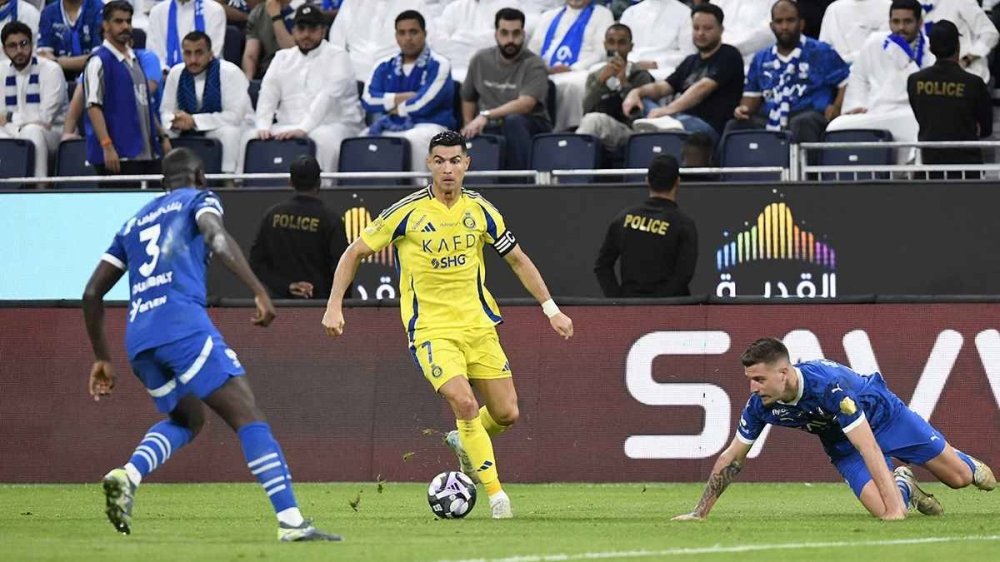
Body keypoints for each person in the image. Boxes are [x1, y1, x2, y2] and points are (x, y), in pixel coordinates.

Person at [82, 148, 341, 542]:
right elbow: (216, 237)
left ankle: (128, 475)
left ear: (163, 182)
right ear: (200, 175)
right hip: (181, 326)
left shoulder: (134, 222)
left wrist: (102, 357)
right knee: (247, 414)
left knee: (187, 420)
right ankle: (291, 522)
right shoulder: (199, 200)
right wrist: (258, 290)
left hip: (139, 340)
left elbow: (91, 293)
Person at [321, 130, 574, 519]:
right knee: (465, 401)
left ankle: (463, 439)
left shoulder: (481, 211)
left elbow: (518, 259)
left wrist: (551, 309)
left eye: (455, 161)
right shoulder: (406, 212)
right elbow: (354, 252)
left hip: (478, 326)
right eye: (439, 161)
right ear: (429, 164)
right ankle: (496, 496)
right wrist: (334, 305)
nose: (448, 169)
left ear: (467, 164)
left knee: (507, 413)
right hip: (431, 330)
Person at [672, 337, 996, 522]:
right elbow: (733, 457)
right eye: (750, 380)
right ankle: (904, 483)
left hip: (885, 418)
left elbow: (869, 446)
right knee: (881, 508)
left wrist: (897, 512)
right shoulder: (761, 405)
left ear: (784, 373)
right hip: (843, 445)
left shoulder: (827, 387)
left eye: (759, 379)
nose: (753, 388)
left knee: (960, 479)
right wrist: (700, 513)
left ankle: (959, 460)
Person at [252, 3, 363, 173]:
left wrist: (303, 128)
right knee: (251, 137)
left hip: (336, 124)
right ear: (293, 31)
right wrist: (263, 126)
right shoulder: (282, 57)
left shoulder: (338, 56)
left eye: (312, 29)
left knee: (321, 138)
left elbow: (327, 97)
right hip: (289, 124)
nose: (306, 35)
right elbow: (268, 93)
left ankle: (324, 185)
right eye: (301, 29)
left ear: (323, 31)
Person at [726, 0, 850, 145]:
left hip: (809, 115)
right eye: (779, 21)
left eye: (790, 20)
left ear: (801, 24)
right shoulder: (761, 58)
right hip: (770, 118)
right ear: (772, 26)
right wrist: (743, 109)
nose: (784, 27)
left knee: (801, 122)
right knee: (735, 126)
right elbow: (751, 97)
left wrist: (836, 107)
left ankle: (803, 161)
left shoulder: (821, 51)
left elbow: (846, 83)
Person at [621, 3, 743, 144]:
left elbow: (702, 88)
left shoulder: (729, 55)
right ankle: (657, 126)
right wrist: (636, 92)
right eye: (696, 28)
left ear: (721, 30)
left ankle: (656, 127)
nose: (700, 33)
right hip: (676, 119)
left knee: (673, 123)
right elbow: (663, 87)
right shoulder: (690, 61)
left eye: (707, 28)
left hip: (707, 126)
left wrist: (667, 110)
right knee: (641, 102)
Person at [827, 0, 933, 163]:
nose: (901, 28)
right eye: (896, 21)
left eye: (907, 22)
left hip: (910, 113)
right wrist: (856, 105)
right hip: (874, 112)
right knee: (837, 126)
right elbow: (858, 78)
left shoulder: (930, 50)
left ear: (919, 23)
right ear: (889, 22)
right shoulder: (874, 42)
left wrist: (907, 59)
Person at [83, 1, 170, 180]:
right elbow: (93, 106)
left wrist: (162, 136)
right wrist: (107, 145)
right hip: (117, 155)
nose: (125, 26)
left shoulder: (135, 60)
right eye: (118, 21)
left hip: (147, 153)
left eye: (128, 21)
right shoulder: (98, 61)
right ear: (105, 25)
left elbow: (143, 101)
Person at [361, 9, 454, 171]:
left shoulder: (439, 64)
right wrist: (404, 97)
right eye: (402, 33)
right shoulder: (383, 65)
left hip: (429, 126)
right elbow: (368, 100)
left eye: (413, 32)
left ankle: (419, 186)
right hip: (389, 124)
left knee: (414, 139)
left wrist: (391, 108)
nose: (408, 38)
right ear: (396, 36)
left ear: (424, 34)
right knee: (360, 139)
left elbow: (424, 104)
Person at [594, 154, 697, 298]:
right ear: (678, 182)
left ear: (647, 180)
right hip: (670, 308)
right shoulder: (684, 224)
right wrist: (660, 302)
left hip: (631, 305)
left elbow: (602, 266)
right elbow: (684, 275)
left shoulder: (624, 219)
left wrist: (617, 301)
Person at [461, 7, 551, 171]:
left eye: (516, 33)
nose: (510, 40)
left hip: (528, 124)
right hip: (490, 125)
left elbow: (526, 104)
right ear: (496, 34)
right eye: (504, 33)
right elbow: (468, 97)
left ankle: (520, 179)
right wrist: (469, 124)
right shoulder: (480, 60)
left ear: (523, 34)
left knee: (513, 121)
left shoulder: (534, 63)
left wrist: (485, 115)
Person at [249, 155, 348, 300]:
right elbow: (344, 269)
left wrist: (287, 286)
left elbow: (256, 264)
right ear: (319, 182)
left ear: (290, 182)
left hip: (280, 305)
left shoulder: (273, 216)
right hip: (320, 305)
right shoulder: (331, 220)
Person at [907, 19, 992, 178]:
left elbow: (921, 115)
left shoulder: (914, 81)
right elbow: (986, 129)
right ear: (958, 46)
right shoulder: (974, 83)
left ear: (931, 48)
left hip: (930, 165)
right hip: (967, 169)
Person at [160, 30, 251, 174]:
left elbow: (234, 116)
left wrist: (194, 121)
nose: (193, 59)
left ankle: (228, 179)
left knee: (229, 133)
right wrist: (175, 120)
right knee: (162, 134)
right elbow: (165, 111)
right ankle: (169, 177)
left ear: (210, 54)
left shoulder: (230, 72)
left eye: (199, 53)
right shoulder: (176, 72)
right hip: (186, 126)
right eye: (188, 53)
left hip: (225, 126)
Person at [527, 0, 615, 131]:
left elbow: (601, 53)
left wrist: (572, 68)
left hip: (581, 69)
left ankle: (568, 131)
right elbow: (533, 50)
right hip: (546, 69)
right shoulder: (549, 16)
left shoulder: (602, 14)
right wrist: (541, 68)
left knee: (573, 85)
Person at [0, 21, 67, 179]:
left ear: (32, 44)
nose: (19, 50)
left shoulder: (51, 70)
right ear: (4, 49)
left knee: (32, 131)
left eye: (23, 44)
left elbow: (44, 118)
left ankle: (38, 187)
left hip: (52, 134)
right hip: (10, 131)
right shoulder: (1, 70)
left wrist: (9, 117)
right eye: (12, 46)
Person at [575, 22, 654, 152]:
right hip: (598, 130)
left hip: (629, 132)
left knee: (594, 120)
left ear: (630, 47)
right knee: (590, 121)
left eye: (621, 43)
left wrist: (623, 83)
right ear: (605, 45)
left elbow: (640, 116)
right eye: (611, 42)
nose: (616, 48)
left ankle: (574, 160)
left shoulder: (641, 75)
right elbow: (587, 109)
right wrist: (600, 82)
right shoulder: (595, 76)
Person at [329, 0, 427, 84]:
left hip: (396, 79)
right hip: (353, 80)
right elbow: (336, 43)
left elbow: (428, 42)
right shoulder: (351, 3)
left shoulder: (415, 3)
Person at [429, 0, 520, 82]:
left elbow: (500, 43)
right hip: (451, 72)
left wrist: (458, 37)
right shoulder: (455, 7)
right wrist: (474, 43)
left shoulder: (510, 6)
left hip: (491, 74)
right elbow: (438, 44)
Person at [920, 0, 999, 83]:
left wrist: (967, 60)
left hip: (968, 78)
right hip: (932, 81)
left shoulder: (961, 2)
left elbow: (990, 33)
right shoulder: (916, 5)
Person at [618, 0, 694, 80]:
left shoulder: (684, 13)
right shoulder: (630, 13)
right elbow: (618, 46)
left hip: (664, 71)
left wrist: (658, 63)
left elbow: (689, 53)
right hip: (628, 67)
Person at [147, 0, 226, 72]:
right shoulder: (157, 11)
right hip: (165, 76)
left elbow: (212, 54)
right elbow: (153, 54)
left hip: (205, 74)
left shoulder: (214, 10)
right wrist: (165, 72)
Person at [36, 0, 105, 82]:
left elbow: (98, 58)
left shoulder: (99, 9)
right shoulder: (48, 12)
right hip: (57, 78)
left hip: (93, 78)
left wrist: (57, 61)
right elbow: (43, 57)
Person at [819, 0, 891, 64]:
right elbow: (823, 50)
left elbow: (888, 48)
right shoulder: (834, 9)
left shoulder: (888, 7)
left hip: (879, 70)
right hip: (840, 71)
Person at [241, 0, 298, 80]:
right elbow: (251, 55)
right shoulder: (259, 11)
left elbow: (293, 51)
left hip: (297, 70)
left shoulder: (307, 11)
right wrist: (248, 80)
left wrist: (276, 17)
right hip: (268, 72)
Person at [711, 0, 773, 65]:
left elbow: (769, 33)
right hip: (716, 60)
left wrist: (726, 48)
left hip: (757, 62)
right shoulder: (718, 2)